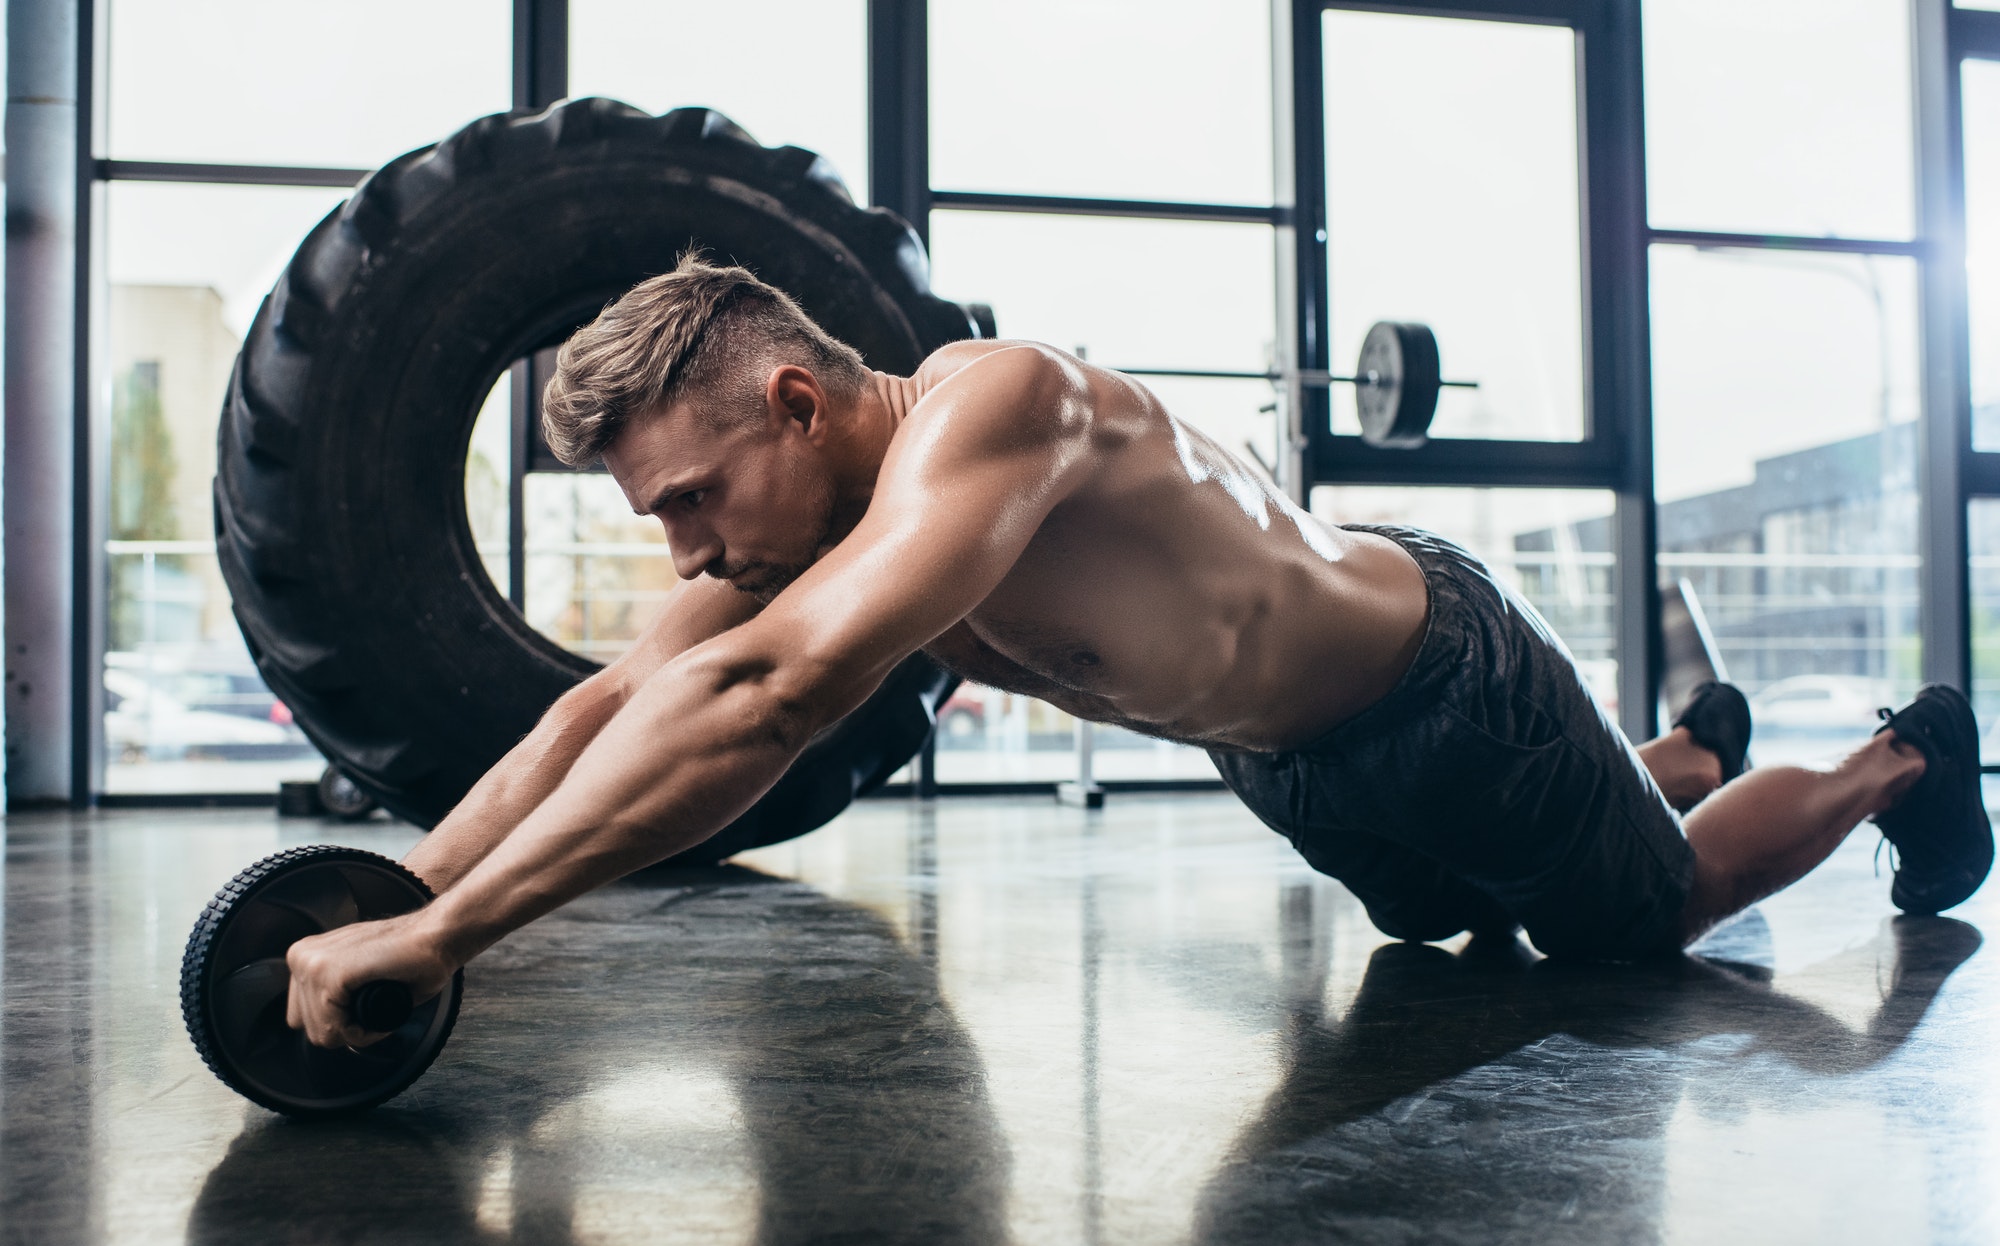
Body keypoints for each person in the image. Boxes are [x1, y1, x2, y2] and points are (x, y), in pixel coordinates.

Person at [284, 255, 1993, 1048]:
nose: (689, 551)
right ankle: (1677, 747)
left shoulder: (1001, 408)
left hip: (1450, 692)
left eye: (691, 498)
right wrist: (388, 889)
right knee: (1447, 919)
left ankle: (1899, 755)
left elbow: (772, 700)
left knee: (1630, 927)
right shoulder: (829, 520)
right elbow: (618, 698)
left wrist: (457, 940)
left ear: (800, 403)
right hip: (1292, 758)